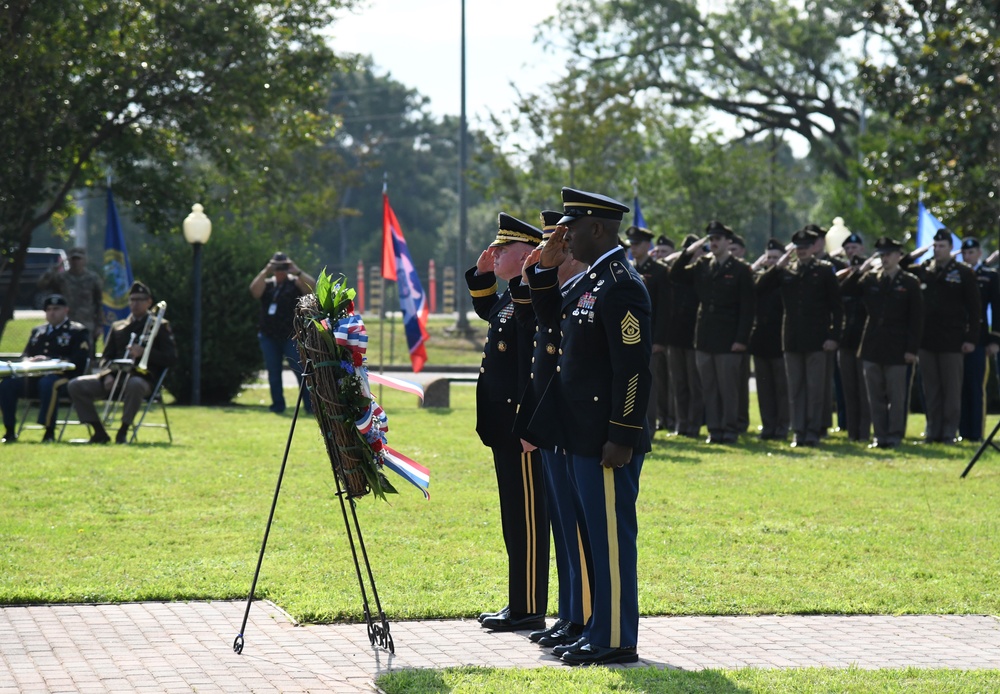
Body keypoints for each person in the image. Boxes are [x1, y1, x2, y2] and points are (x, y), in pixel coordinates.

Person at [526, 186, 649, 666]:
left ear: (597, 228)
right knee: (593, 539)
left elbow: (633, 369)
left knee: (611, 542)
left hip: (604, 437)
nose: (564, 235)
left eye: (571, 228)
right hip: (577, 432)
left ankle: (616, 638)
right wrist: (543, 269)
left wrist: (622, 434)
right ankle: (597, 627)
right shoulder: (591, 280)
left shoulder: (621, 282)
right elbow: (550, 322)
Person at [510, 209, 589, 650]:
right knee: (564, 529)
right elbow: (531, 325)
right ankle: (571, 614)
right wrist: (533, 274)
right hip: (555, 424)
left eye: (555, 246)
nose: (545, 254)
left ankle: (583, 616)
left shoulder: (585, 292)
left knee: (577, 530)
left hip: (573, 426)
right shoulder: (563, 290)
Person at [468, 213, 549, 633]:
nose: (494, 254)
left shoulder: (532, 296)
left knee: (529, 520)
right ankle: (520, 601)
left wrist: (529, 425)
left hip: (521, 429)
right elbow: (490, 311)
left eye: (502, 250)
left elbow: (534, 365)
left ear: (526, 255)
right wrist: (482, 276)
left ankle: (530, 606)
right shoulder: (513, 295)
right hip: (503, 426)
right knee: (513, 518)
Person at [757, 227, 843, 448]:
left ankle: (813, 431)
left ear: (812, 248)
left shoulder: (824, 271)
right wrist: (778, 267)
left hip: (817, 339)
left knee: (815, 389)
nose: (802, 252)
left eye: (805, 248)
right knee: (795, 389)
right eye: (798, 248)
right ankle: (799, 431)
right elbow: (759, 288)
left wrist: (834, 336)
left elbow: (837, 307)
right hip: (792, 339)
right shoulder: (787, 271)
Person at [671, 221, 754, 444]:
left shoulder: (740, 269)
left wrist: (741, 339)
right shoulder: (703, 265)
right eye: (711, 239)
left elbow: (748, 309)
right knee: (709, 387)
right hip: (705, 336)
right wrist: (689, 251)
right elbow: (675, 274)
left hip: (729, 338)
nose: (714, 243)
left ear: (728, 241)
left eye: (718, 239)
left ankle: (729, 429)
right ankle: (714, 429)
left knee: (728, 388)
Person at [68, 281, 177, 444]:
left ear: (149, 302)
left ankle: (123, 431)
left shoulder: (159, 326)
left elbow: (171, 358)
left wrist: (145, 353)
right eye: (132, 299)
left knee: (135, 384)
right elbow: (106, 357)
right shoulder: (118, 326)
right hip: (114, 378)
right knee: (76, 385)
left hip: (143, 379)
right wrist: (107, 375)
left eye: (140, 299)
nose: (135, 303)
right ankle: (99, 431)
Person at [841, 238, 923, 449]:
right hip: (872, 345)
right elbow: (845, 291)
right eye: (881, 255)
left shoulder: (909, 282)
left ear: (898, 256)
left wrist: (911, 349)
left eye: (888, 255)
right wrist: (859, 271)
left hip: (897, 346)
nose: (884, 259)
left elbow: (916, 319)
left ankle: (894, 434)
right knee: (875, 395)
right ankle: (879, 435)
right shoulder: (870, 279)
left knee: (896, 395)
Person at [905, 229, 981, 443]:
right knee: (931, 390)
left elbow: (975, 309)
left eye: (942, 246)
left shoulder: (963, 272)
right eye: (935, 246)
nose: (937, 250)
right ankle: (933, 431)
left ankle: (949, 432)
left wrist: (971, 339)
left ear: (951, 248)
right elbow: (900, 265)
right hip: (927, 340)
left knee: (951, 390)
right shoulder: (924, 270)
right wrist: (918, 252)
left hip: (952, 340)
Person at [0, 294, 90, 443]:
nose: (52, 312)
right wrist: (30, 360)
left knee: (49, 383)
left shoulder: (77, 331)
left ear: (66, 310)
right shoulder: (38, 331)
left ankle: (49, 431)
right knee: (7, 385)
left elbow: (79, 360)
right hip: (34, 378)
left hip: (64, 378)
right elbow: (26, 355)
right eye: (48, 309)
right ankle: (9, 431)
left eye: (56, 309)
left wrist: (50, 361)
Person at [249, 252, 316, 414]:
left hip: (291, 335)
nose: (280, 269)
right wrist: (266, 270)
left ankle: (309, 405)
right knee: (273, 373)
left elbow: (312, 286)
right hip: (269, 336)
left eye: (283, 266)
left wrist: (296, 270)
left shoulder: (295, 284)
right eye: (277, 266)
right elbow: (254, 291)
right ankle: (278, 405)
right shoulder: (268, 284)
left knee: (300, 371)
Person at [625, 225, 671, 434]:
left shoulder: (660, 271)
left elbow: (664, 309)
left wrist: (660, 339)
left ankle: (649, 426)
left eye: (636, 244)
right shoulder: (627, 267)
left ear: (647, 244)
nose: (633, 248)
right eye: (630, 244)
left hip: (650, 337)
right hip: (629, 337)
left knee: (649, 386)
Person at [959, 238, 1000, 442]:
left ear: (979, 254)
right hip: (956, 338)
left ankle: (975, 432)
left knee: (975, 386)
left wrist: (995, 339)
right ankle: (961, 431)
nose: (967, 257)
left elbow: (997, 309)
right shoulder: (955, 274)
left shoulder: (989, 276)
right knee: (959, 386)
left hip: (980, 339)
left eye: (971, 253)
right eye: (964, 253)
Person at [664, 234, 704, 438]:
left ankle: (694, 424)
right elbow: (676, 271)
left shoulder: (701, 270)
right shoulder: (680, 272)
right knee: (679, 384)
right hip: (676, 335)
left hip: (694, 336)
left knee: (694, 385)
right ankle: (681, 423)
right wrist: (686, 253)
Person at [750, 239, 789, 440]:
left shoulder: (787, 277)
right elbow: (757, 289)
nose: (772, 261)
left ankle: (782, 427)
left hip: (780, 341)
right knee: (764, 390)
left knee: (782, 389)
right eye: (769, 257)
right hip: (761, 342)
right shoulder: (761, 278)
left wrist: (781, 268)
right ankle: (768, 426)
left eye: (776, 257)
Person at [838, 232, 872, 442]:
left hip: (865, 340)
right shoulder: (842, 274)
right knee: (849, 390)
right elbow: (839, 290)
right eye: (848, 249)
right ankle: (852, 433)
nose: (851, 252)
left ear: (862, 248)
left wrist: (864, 271)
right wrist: (854, 273)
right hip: (846, 340)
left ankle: (865, 432)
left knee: (864, 390)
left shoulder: (873, 273)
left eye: (855, 248)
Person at [37, 247, 103, 346]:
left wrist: (99, 325)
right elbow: (42, 284)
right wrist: (54, 269)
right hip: (65, 324)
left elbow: (99, 303)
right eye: (73, 259)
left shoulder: (93, 278)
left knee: (87, 354)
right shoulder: (61, 278)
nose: (76, 262)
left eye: (78, 259)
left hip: (87, 324)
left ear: (85, 260)